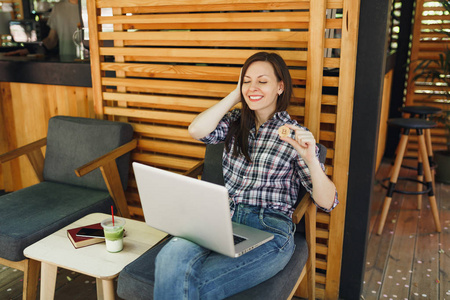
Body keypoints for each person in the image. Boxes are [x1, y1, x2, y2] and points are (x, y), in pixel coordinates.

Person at [154, 52, 339, 300]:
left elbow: (328, 203)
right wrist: (236, 94)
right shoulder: (233, 123)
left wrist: (311, 161)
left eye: (262, 81)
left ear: (280, 87)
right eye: (247, 80)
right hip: (218, 218)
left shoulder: (296, 136)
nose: (253, 87)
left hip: (268, 228)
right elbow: (196, 130)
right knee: (168, 259)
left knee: (196, 286)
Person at [5, 0, 79, 57]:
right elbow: (51, 40)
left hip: (88, 63)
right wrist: (30, 50)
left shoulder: (89, 6)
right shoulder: (58, 8)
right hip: (67, 63)